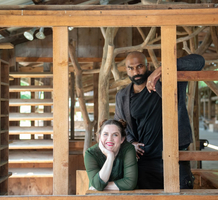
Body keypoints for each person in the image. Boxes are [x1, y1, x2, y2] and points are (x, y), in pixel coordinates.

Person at [114, 51, 205, 189]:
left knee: (182, 196)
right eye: (130, 68)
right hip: (145, 160)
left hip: (175, 157)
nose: (136, 71)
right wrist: (131, 143)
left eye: (140, 66)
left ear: (148, 65)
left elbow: (199, 61)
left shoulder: (169, 83)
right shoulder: (123, 97)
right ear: (126, 70)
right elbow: (120, 127)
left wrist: (163, 69)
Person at [84, 119, 138, 191]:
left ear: (122, 139)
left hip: (124, 196)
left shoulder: (128, 149)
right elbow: (97, 185)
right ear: (100, 137)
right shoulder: (90, 154)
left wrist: (101, 187)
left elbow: (130, 183)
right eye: (105, 134)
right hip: (98, 197)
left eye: (115, 135)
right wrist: (110, 157)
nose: (110, 139)